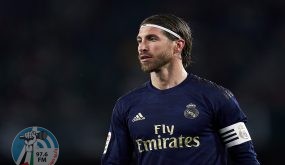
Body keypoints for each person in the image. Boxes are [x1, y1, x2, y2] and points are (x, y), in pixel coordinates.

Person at [101, 14, 260, 165]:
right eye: (139, 40)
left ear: (178, 45)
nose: (142, 47)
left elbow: (245, 158)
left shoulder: (216, 97)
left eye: (152, 39)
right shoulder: (126, 105)